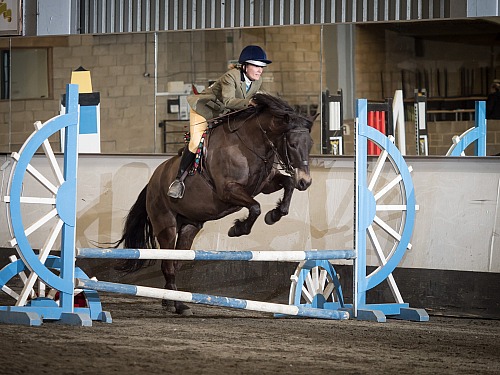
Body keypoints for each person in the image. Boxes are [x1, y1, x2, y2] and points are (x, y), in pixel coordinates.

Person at [167, 45, 272, 198]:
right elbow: (229, 101)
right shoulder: (231, 76)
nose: (260, 70)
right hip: (203, 110)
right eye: (256, 65)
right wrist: (249, 103)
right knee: (196, 142)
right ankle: (178, 181)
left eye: (262, 66)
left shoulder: (257, 81)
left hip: (222, 112)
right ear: (244, 66)